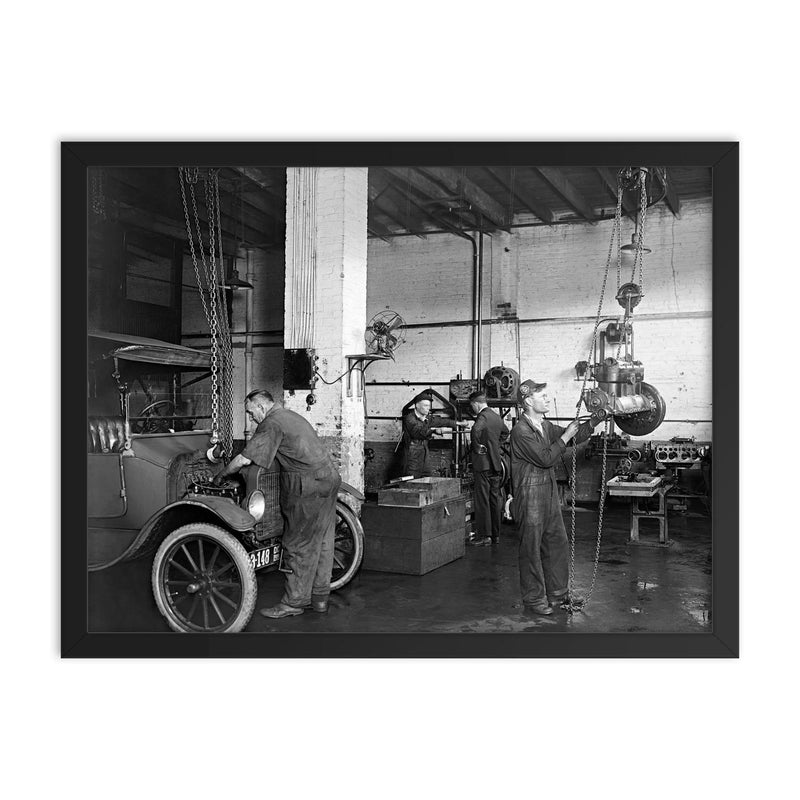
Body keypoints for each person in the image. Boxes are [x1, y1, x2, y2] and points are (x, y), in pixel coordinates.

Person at [213, 389, 341, 619]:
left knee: (297, 543)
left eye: (251, 412)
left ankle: (294, 602)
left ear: (262, 407)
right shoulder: (291, 416)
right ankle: (319, 598)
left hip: (306, 484)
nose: (251, 417)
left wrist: (221, 475)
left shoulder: (272, 423)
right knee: (322, 540)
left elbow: (245, 459)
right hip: (328, 478)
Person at [510, 378, 599, 615]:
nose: (547, 399)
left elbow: (575, 436)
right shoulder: (521, 431)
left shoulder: (545, 426)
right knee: (530, 549)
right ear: (528, 401)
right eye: (542, 396)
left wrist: (596, 419)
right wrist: (567, 435)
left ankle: (558, 594)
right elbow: (546, 458)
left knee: (556, 543)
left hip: (547, 493)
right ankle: (534, 599)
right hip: (528, 495)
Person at [468, 390, 508, 547]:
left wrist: (477, 446)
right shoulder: (496, 416)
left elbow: (475, 430)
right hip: (496, 464)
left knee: (482, 500)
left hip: (483, 465)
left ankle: (484, 536)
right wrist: (495, 445)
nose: (472, 410)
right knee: (494, 499)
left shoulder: (482, 416)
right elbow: (505, 432)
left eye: (472, 407)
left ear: (476, 404)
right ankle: (496, 535)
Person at [400, 392, 468, 478]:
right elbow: (418, 432)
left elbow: (441, 421)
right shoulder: (410, 418)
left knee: (427, 476)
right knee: (412, 479)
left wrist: (459, 423)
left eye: (429, 406)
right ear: (417, 406)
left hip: (424, 452)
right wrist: (434, 430)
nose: (428, 408)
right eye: (425, 406)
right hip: (411, 454)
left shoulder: (426, 418)